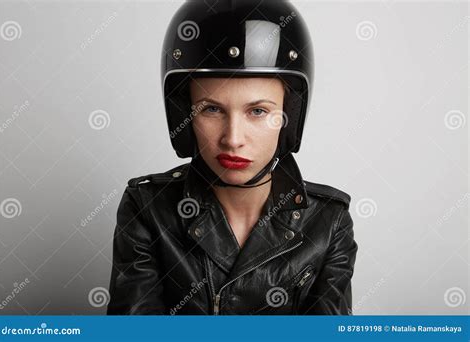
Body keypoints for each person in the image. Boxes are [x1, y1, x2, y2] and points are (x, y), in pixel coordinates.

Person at [107, 0, 358, 315]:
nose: (233, 139)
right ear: (184, 115)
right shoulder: (147, 208)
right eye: (211, 109)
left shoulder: (329, 222)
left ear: (288, 117)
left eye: (257, 111)